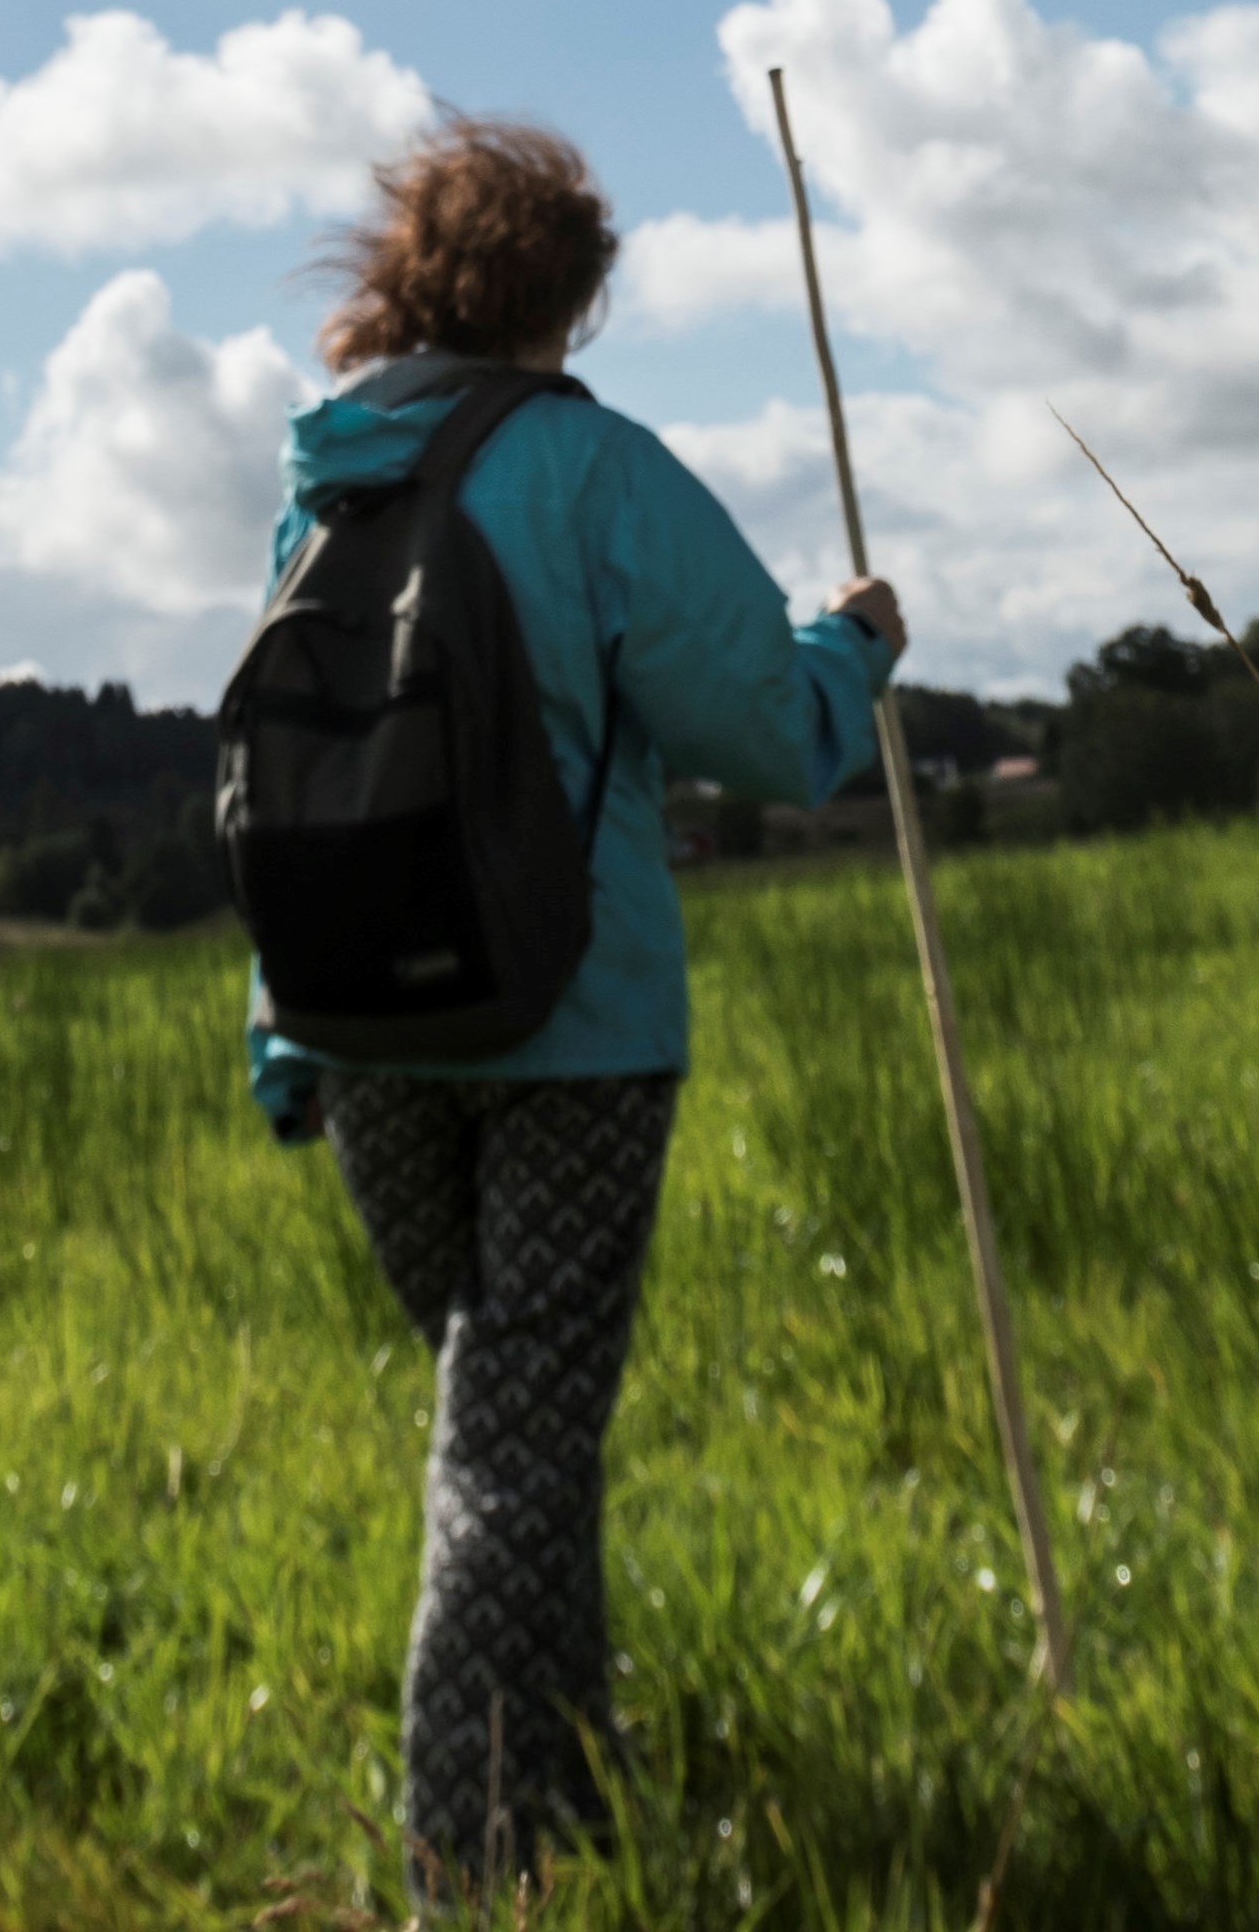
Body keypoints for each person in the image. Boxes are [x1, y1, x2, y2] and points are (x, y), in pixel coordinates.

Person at [242, 116, 900, 1897]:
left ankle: (573, 1785)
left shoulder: (330, 474)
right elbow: (768, 727)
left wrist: (283, 1026)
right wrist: (857, 645)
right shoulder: (589, 470)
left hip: (363, 1021)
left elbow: (302, 754)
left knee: (512, 1420)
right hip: (573, 1018)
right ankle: (465, 1850)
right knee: (514, 1443)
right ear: (574, 294)